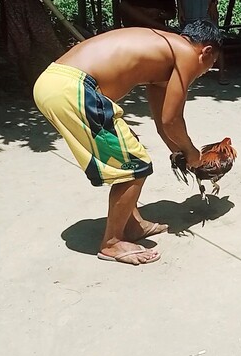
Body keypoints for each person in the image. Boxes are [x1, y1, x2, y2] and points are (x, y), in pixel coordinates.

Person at [33, 20, 222, 265]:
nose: (207, 71)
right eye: (211, 64)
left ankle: (133, 225)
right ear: (205, 51)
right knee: (134, 165)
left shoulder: (164, 57)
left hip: (57, 83)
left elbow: (162, 123)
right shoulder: (186, 52)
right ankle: (111, 243)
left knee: (131, 150)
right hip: (73, 87)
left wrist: (180, 153)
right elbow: (172, 119)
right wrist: (191, 151)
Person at [179, 0, 229, 84]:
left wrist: (213, 3)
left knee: (214, 41)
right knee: (190, 41)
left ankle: (222, 74)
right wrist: (180, 10)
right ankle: (189, 72)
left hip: (207, 8)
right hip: (188, 9)